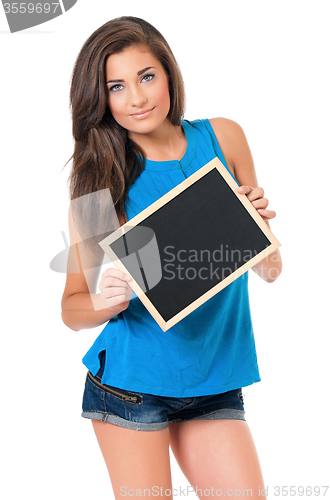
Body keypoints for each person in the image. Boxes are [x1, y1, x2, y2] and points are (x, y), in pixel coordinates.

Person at [61, 16, 282, 500]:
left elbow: (270, 270)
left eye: (146, 77)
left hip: (215, 377)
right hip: (131, 386)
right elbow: (71, 308)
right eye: (116, 87)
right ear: (101, 100)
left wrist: (260, 229)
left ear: (168, 73)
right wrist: (108, 300)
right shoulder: (101, 177)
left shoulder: (223, 137)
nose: (137, 99)